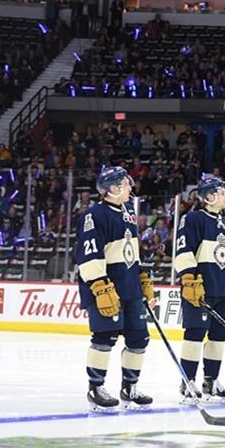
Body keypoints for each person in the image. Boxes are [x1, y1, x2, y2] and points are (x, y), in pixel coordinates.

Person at [76, 166, 154, 411]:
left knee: (139, 338)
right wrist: (99, 286)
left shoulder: (128, 212)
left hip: (130, 288)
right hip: (107, 288)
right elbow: (89, 256)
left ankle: (130, 387)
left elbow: (131, 252)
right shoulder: (94, 215)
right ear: (112, 188)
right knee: (104, 337)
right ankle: (96, 387)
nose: (131, 187)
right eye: (126, 183)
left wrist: (142, 278)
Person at [173, 175, 225, 404]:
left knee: (218, 336)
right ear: (210, 196)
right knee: (194, 333)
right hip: (200, 288)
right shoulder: (193, 219)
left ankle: (211, 381)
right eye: (223, 192)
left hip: (223, 289)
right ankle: (188, 382)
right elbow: (184, 251)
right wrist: (189, 279)